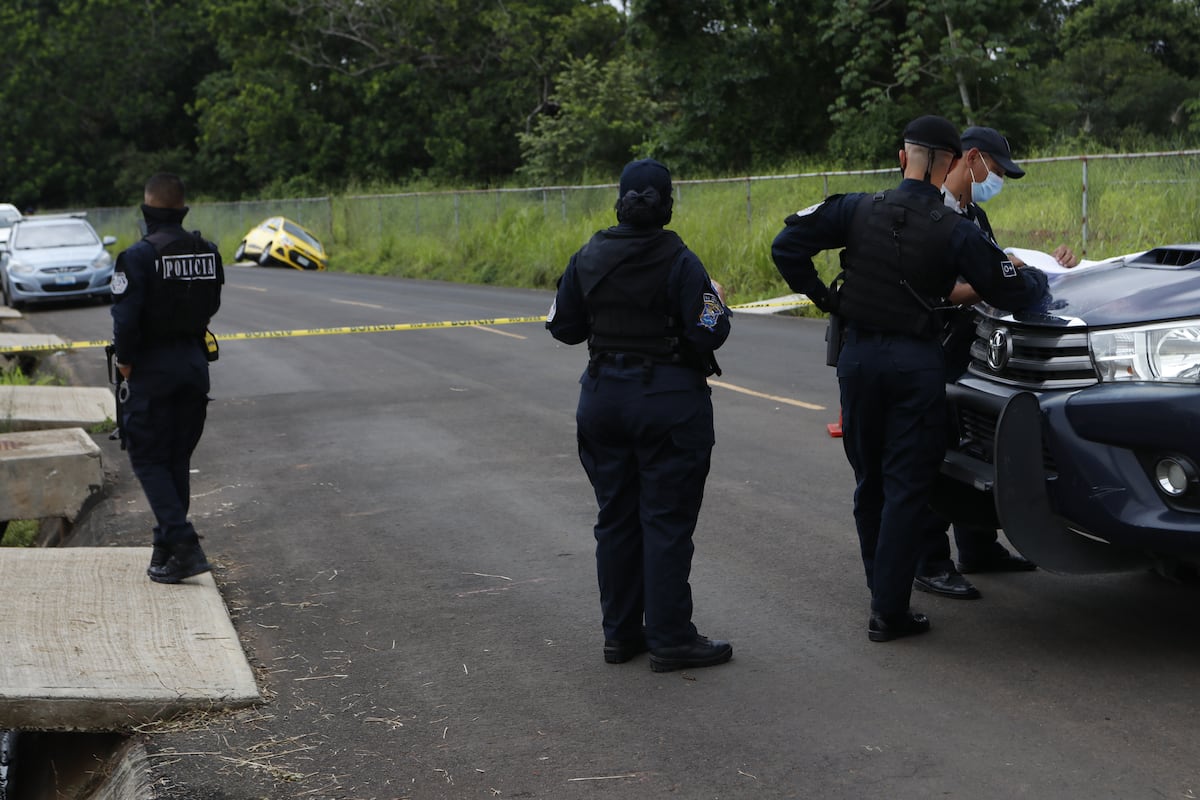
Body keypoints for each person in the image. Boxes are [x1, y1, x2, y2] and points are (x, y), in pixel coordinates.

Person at [771, 116, 1048, 642]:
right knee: (905, 487)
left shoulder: (855, 208)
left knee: (869, 482)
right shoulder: (956, 230)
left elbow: (787, 246)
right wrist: (1039, 275)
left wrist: (827, 299)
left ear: (903, 157)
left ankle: (882, 588)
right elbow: (1009, 288)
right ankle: (887, 610)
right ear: (949, 164)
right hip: (915, 365)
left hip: (858, 362)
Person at [546, 158, 734, 672]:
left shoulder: (588, 255)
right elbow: (709, 331)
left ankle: (621, 635)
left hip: (604, 400)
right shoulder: (681, 261)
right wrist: (718, 300)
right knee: (666, 521)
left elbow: (563, 327)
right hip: (669, 405)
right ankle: (671, 638)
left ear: (620, 202)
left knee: (616, 518)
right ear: (668, 205)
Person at [913, 126, 1076, 600]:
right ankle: (929, 559)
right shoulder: (926, 210)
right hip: (930, 349)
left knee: (974, 446)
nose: (996, 180)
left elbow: (990, 266)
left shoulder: (973, 214)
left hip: (972, 349)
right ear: (974, 159)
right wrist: (1009, 278)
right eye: (997, 171)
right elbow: (945, 287)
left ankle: (978, 546)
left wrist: (1047, 264)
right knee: (932, 452)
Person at [111, 173, 224, 584]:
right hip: (195, 366)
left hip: (153, 372)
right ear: (182, 208)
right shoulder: (208, 252)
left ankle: (184, 543)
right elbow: (211, 305)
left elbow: (125, 321)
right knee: (175, 458)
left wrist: (126, 362)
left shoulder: (137, 257)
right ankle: (166, 552)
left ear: (147, 210)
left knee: (147, 457)